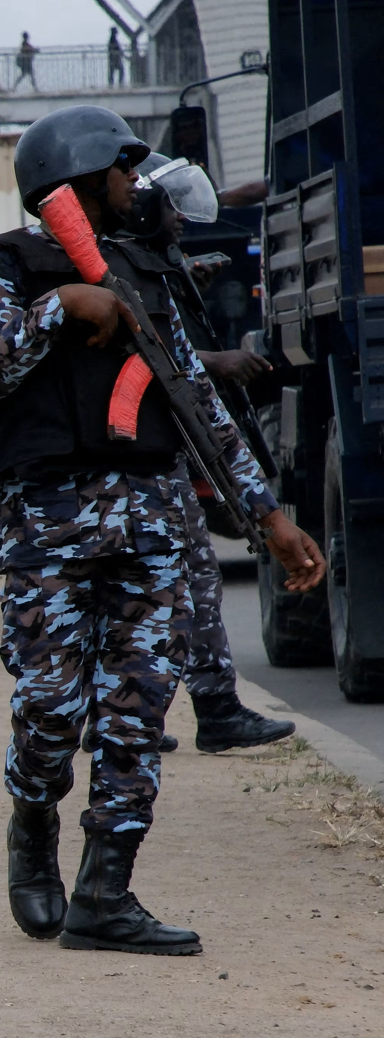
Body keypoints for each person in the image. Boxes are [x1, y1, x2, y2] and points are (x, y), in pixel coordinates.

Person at [0, 105, 325, 955]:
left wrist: (267, 517)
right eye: (122, 171)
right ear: (79, 179)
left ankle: (104, 891)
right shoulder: (8, 264)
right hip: (47, 525)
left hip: (151, 520)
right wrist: (59, 311)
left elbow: (194, 400)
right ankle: (32, 824)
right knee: (49, 706)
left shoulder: (143, 272)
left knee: (137, 706)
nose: (135, 184)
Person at [118, 155, 296, 753]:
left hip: (166, 455)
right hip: (128, 463)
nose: (179, 221)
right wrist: (217, 364)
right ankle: (127, 717)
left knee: (191, 583)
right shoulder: (111, 268)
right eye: (169, 210)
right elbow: (145, 355)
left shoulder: (152, 264)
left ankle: (207, 709)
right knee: (139, 595)